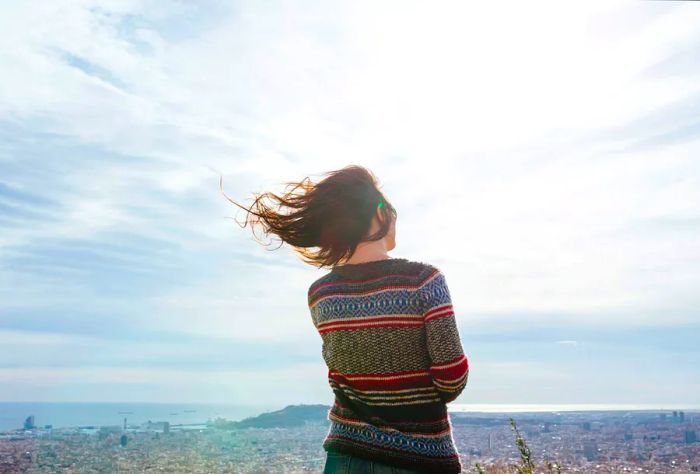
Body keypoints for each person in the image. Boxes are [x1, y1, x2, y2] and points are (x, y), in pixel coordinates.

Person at [221, 165, 469, 473]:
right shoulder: (424, 280)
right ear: (379, 215)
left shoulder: (322, 293)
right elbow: (451, 379)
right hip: (420, 457)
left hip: (346, 455)